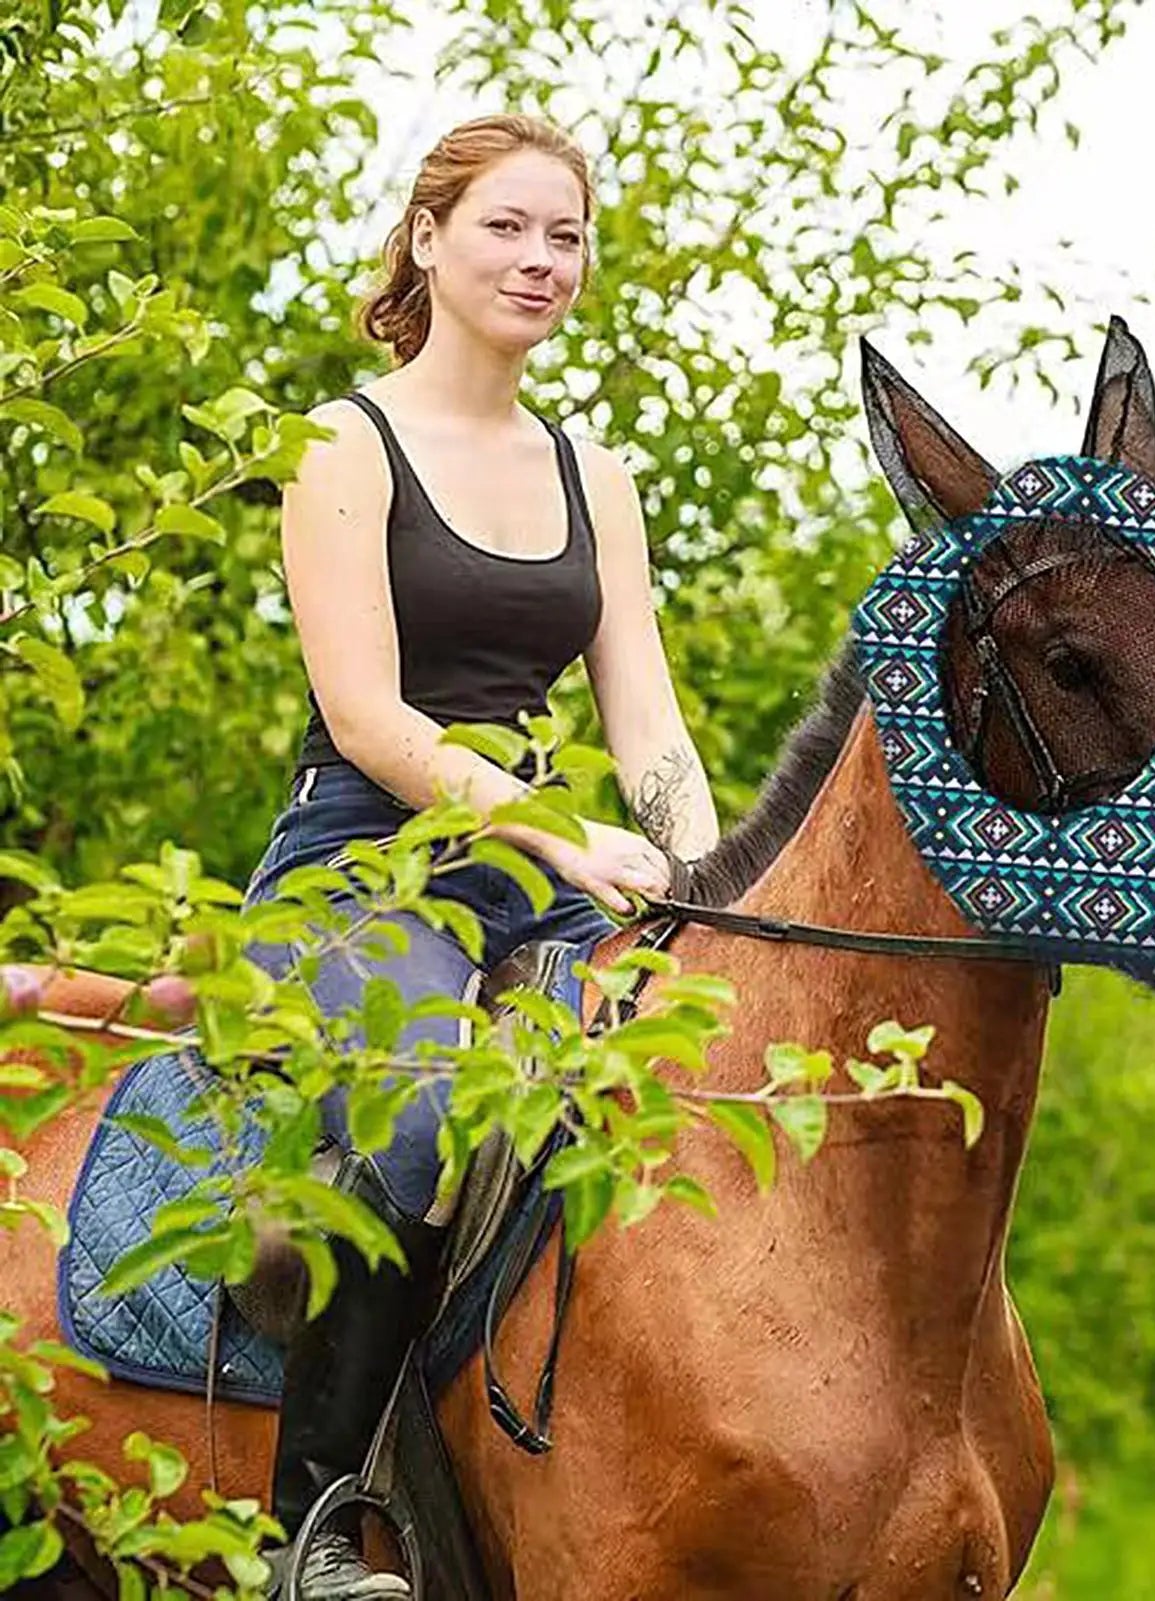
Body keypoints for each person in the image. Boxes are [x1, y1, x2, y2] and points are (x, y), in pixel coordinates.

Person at [241, 112, 719, 1599]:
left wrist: (711, 887)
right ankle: (311, 1521)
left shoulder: (597, 473)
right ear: (429, 239)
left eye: (564, 234)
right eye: (506, 226)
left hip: (540, 868)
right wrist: (555, 827)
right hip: (363, 865)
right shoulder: (344, 442)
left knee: (687, 1079)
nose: (539, 260)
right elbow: (372, 719)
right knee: (427, 1105)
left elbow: (646, 725)